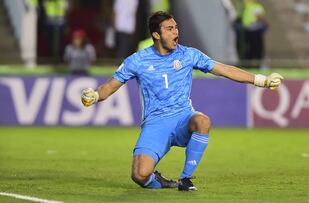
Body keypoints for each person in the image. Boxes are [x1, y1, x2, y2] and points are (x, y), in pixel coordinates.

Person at [81, 11, 283, 191]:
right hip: (155, 124)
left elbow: (224, 69)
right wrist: (95, 95)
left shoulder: (188, 54)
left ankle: (186, 179)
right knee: (139, 175)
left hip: (183, 118)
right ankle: (159, 181)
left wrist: (261, 80)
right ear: (156, 35)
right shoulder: (137, 60)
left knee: (203, 121)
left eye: (176, 27)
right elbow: (109, 87)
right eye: (169, 29)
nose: (176, 32)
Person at [242, 0, 268, 68]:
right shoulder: (257, 6)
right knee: (258, 49)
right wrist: (266, 23)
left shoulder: (248, 5)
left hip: (248, 30)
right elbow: (259, 16)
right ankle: (257, 66)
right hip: (255, 29)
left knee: (249, 48)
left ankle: (247, 65)